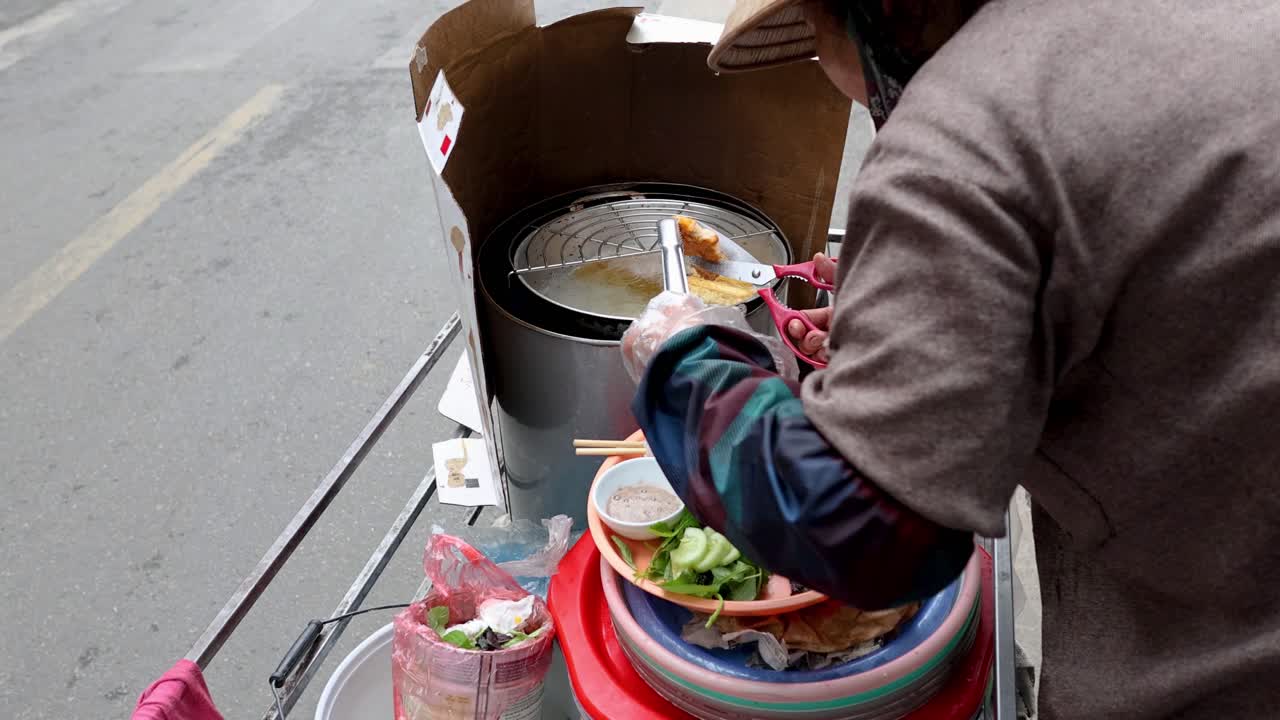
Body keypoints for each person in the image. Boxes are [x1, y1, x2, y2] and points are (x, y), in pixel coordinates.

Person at [620, 1, 1280, 718]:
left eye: (812, 33)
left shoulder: (971, 129)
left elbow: (867, 529)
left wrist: (683, 360)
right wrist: (955, 314)